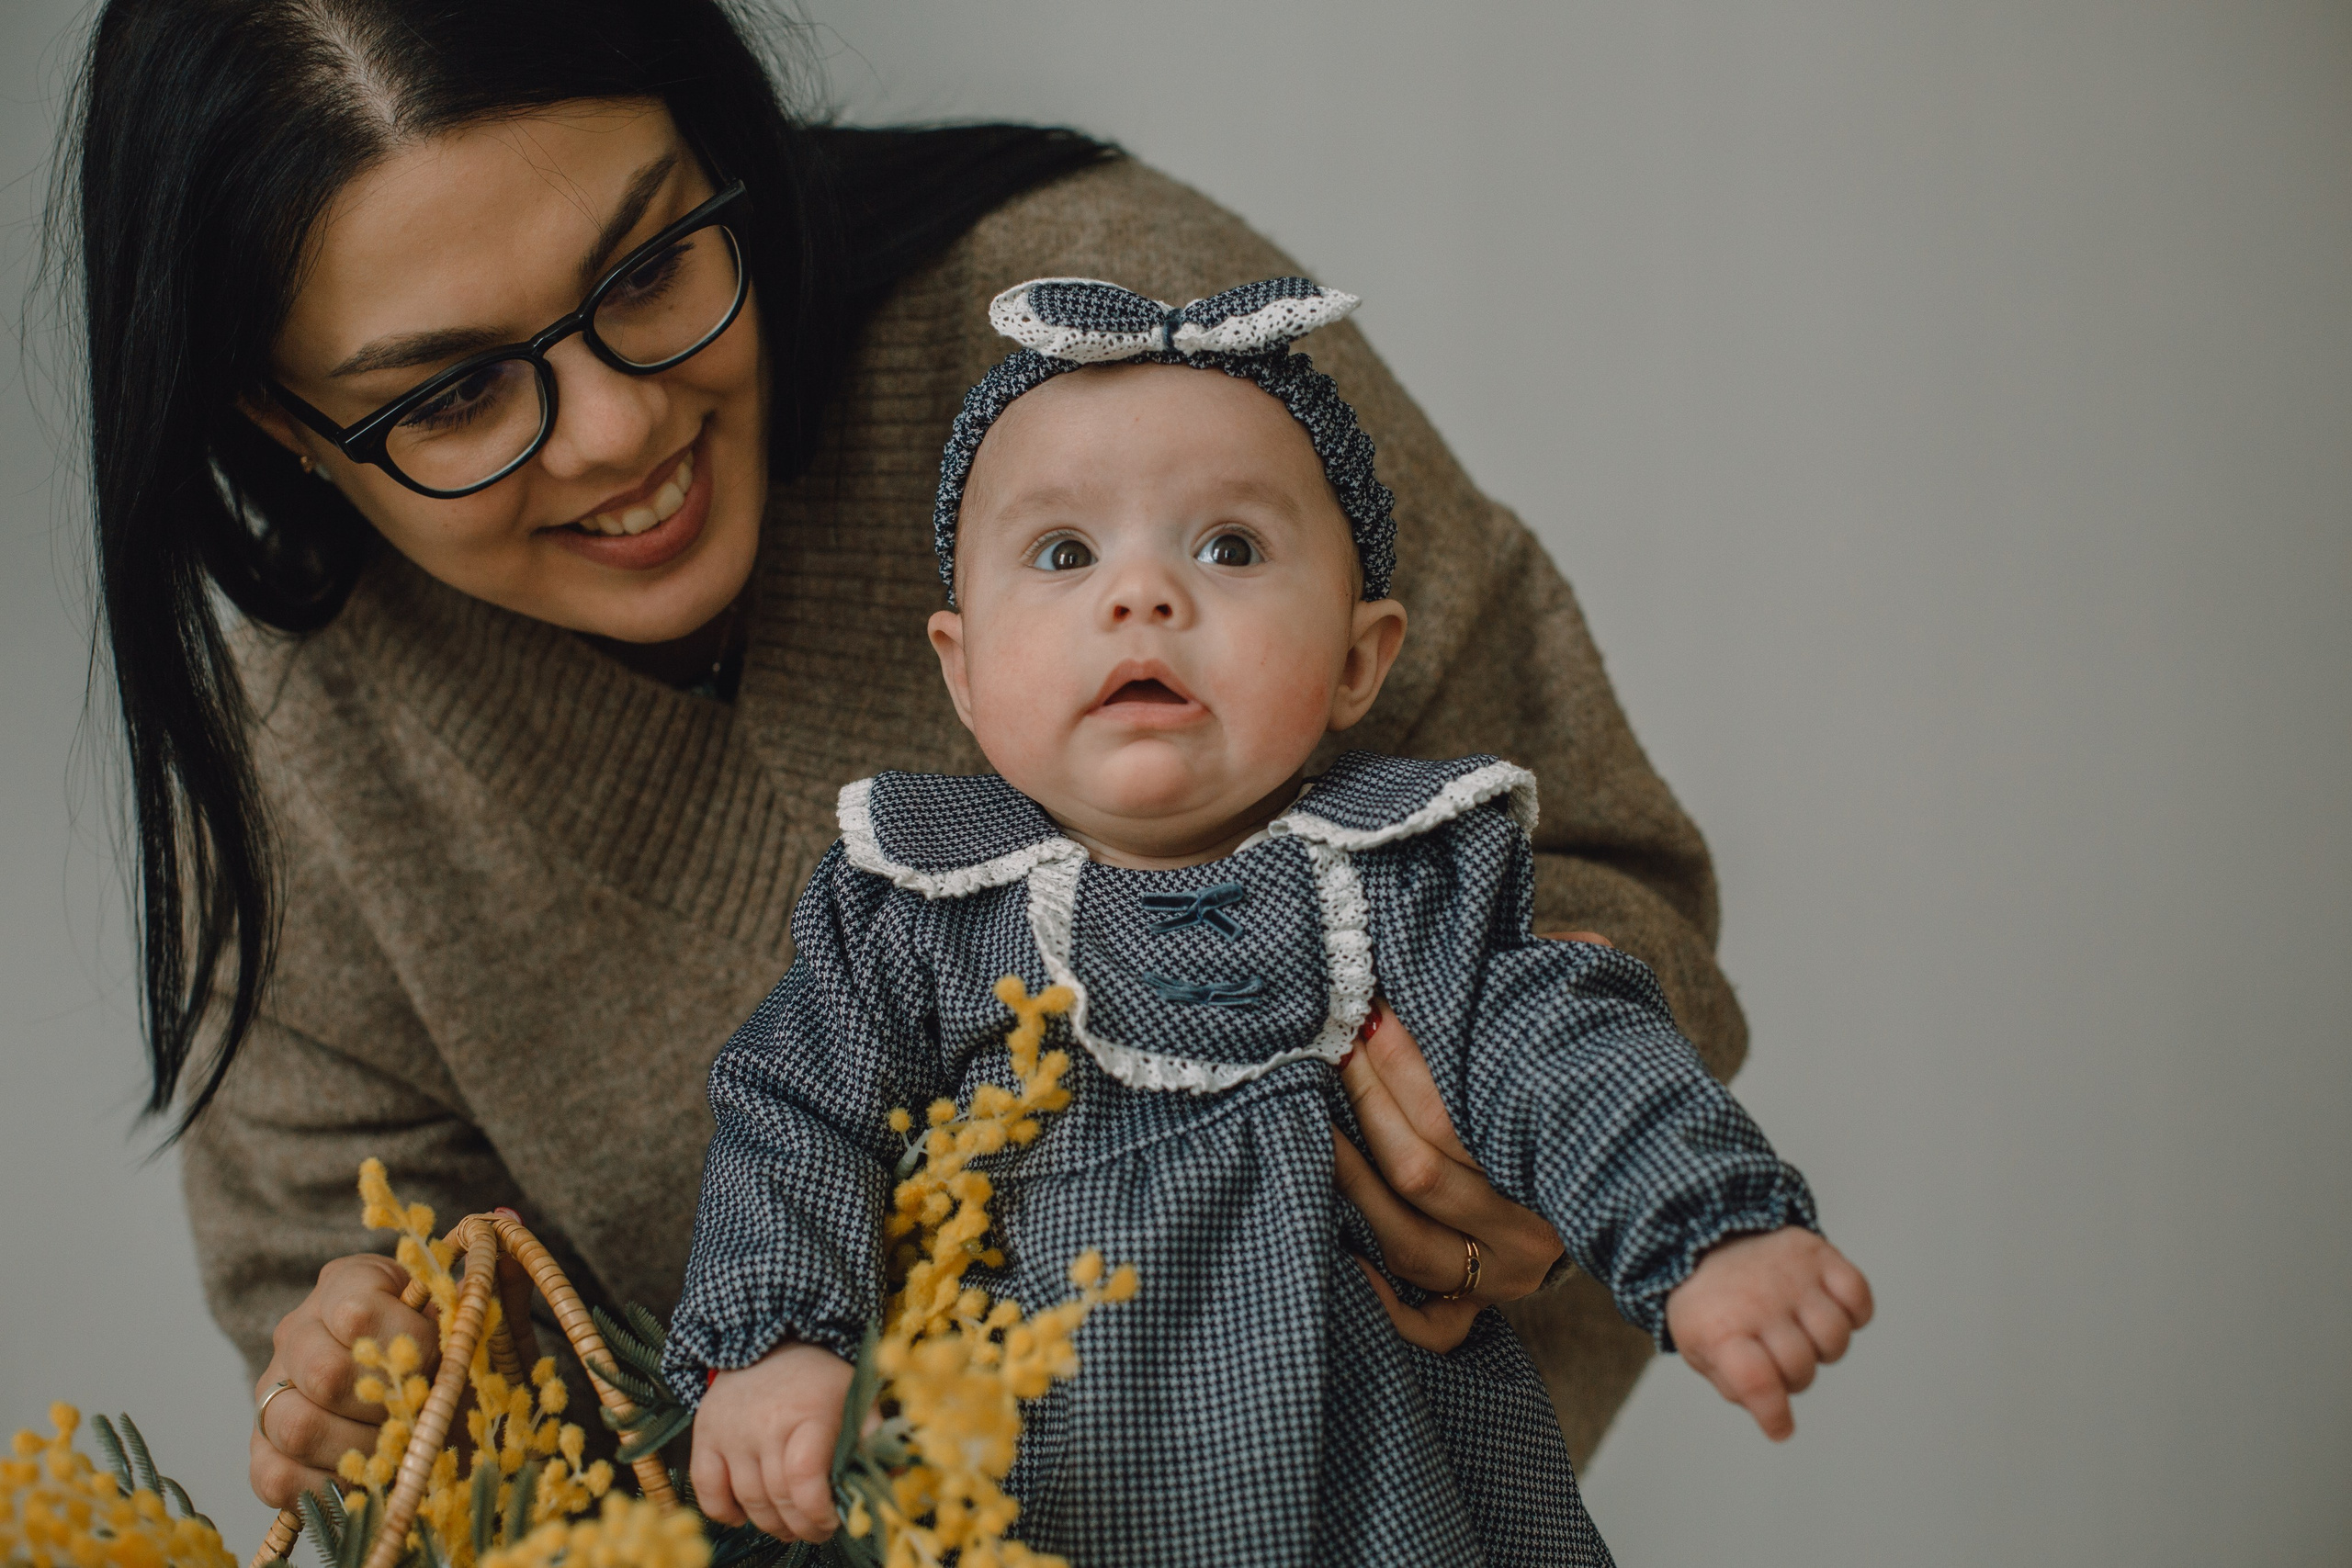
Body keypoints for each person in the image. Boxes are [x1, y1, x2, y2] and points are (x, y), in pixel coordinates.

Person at [58, 0, 1758, 1512]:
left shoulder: (1122, 349)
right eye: (450, 400)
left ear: (720, 145)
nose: (617, 426)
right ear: (278, 422)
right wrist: (410, 1386)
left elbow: (1610, 883)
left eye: (648, 271)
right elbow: (341, 1271)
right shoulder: (309, 739)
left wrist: (1510, 1141)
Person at [666, 278, 1873, 1565]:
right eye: (1065, 554)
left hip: (1368, 1505)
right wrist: (776, 1341)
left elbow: (1566, 1054)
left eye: (1228, 549)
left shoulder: (1405, 887)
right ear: (962, 671)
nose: (1142, 596)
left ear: (1361, 660)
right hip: (1022, 1500)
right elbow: (793, 1120)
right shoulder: (914, 920)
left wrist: (1708, 1234)